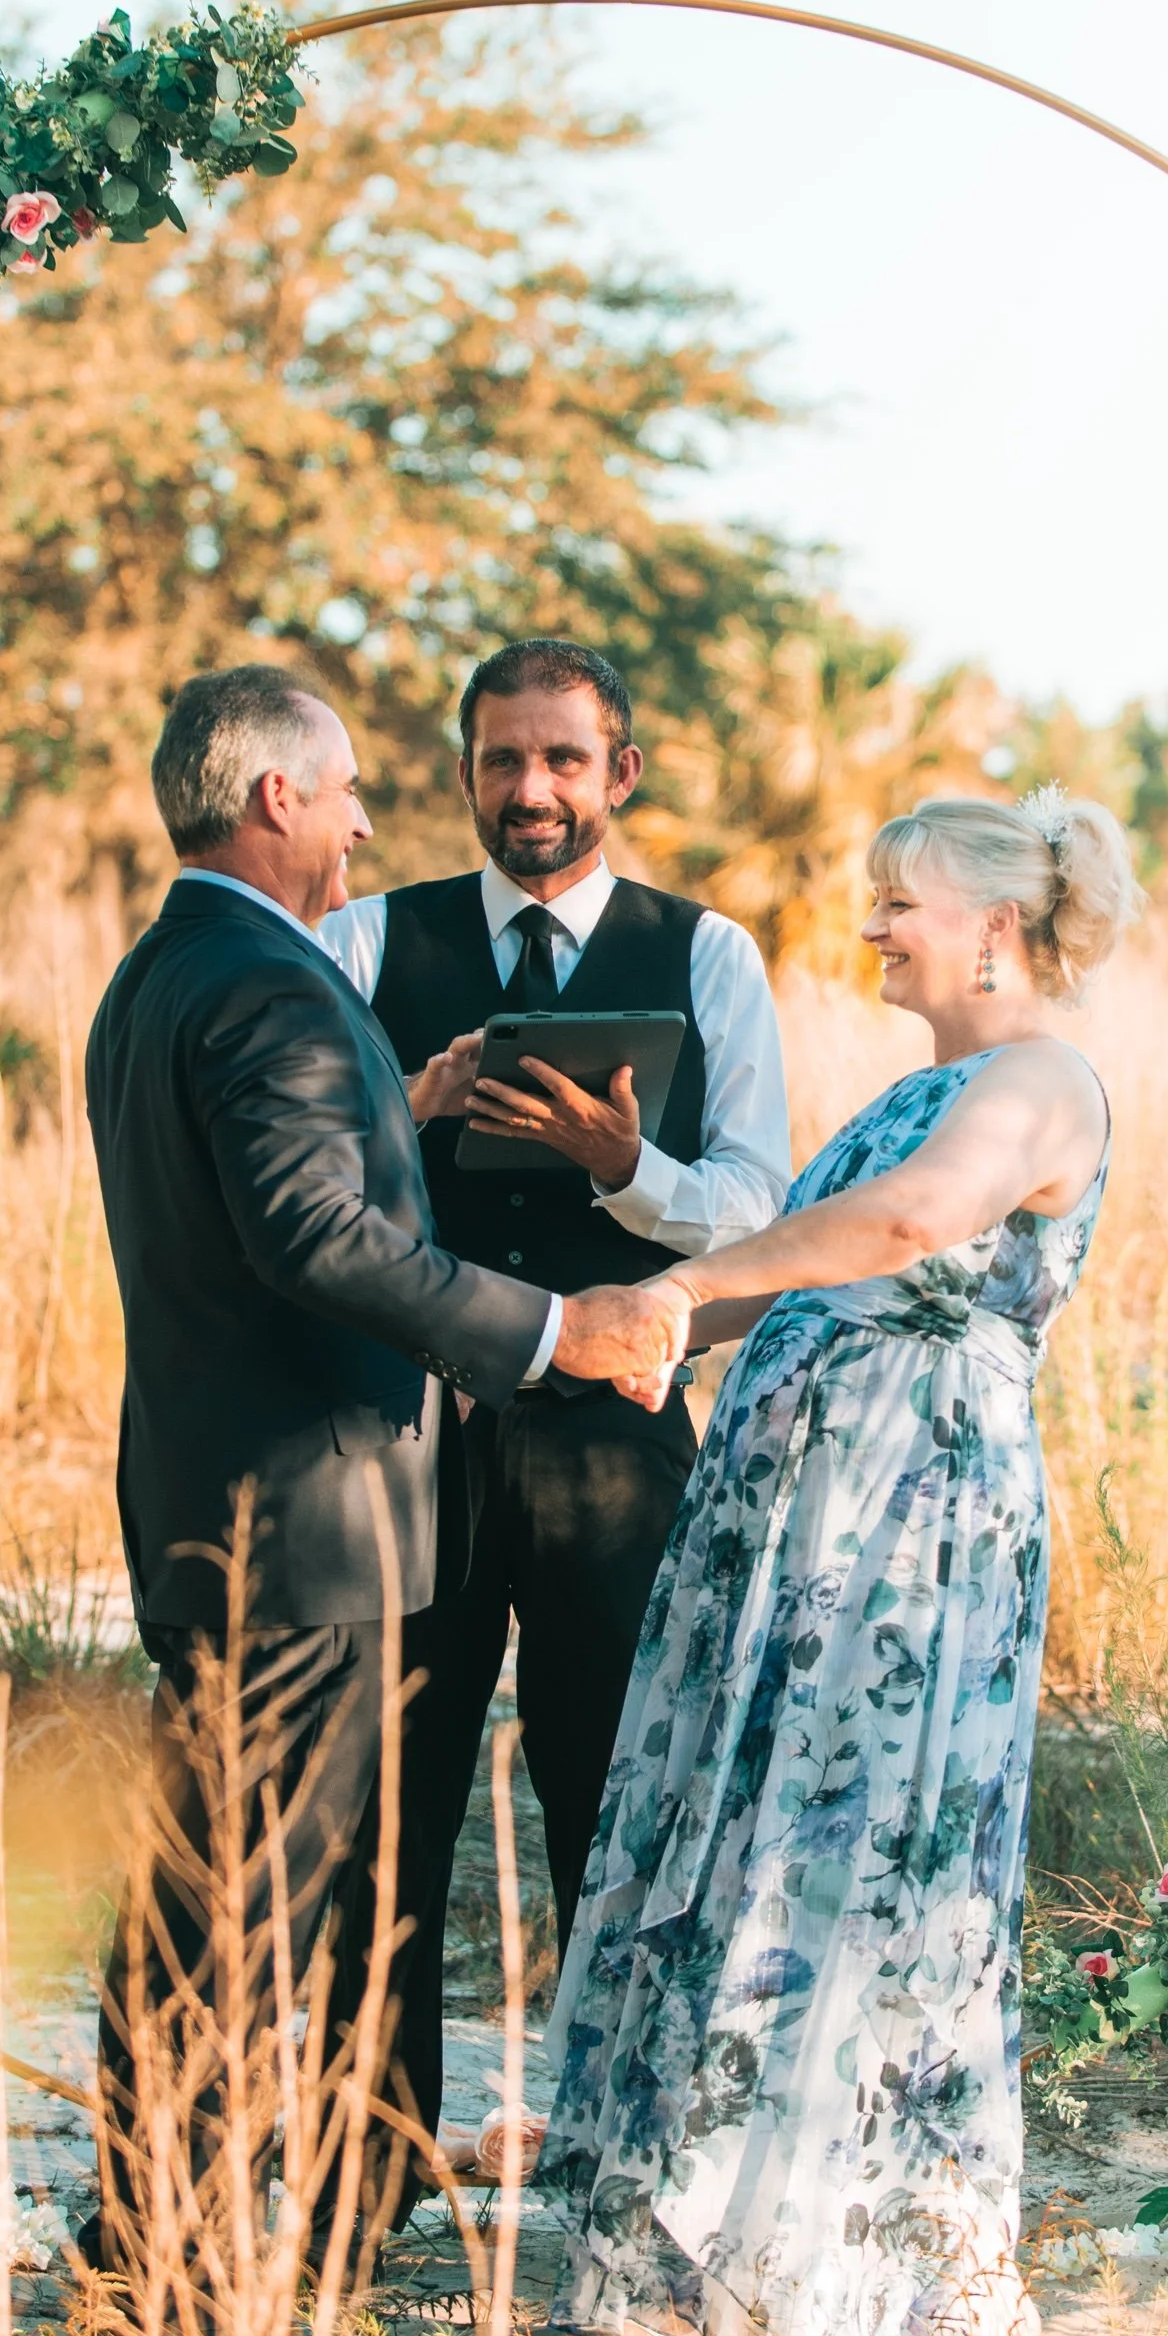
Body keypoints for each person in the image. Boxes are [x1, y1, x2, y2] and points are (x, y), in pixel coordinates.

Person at [78, 663, 674, 2282]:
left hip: (217, 1498)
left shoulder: (164, 971)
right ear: (276, 796)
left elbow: (263, 1213)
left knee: (207, 1887)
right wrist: (555, 1328)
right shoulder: (271, 985)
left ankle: (139, 2228)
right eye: (341, 792)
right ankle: (162, 2257)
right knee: (246, 1904)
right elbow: (316, 1239)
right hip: (306, 1522)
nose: (358, 823)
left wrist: (398, 1115)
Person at [536, 790, 1144, 2336]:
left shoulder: (1036, 1080)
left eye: (898, 901)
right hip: (797, 1535)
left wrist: (682, 1283)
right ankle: (685, 2260)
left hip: (904, 1535)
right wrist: (640, 1328)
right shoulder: (913, 1089)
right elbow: (802, 1255)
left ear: (993, 926)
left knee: (852, 1848)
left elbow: (907, 1225)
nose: (870, 925)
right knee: (751, 1832)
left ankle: (815, 2270)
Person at [318, 637, 791, 2181]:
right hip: (410, 1436)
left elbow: (757, 1208)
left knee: (622, 1797)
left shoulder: (706, 955)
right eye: (502, 760)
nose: (531, 789)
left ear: (618, 773)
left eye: (562, 759)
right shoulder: (366, 939)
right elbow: (303, 1187)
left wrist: (619, 1166)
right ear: (464, 774)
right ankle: (370, 2171)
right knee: (389, 1804)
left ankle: (625, 2165)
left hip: (621, 1431)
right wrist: (414, 1111)